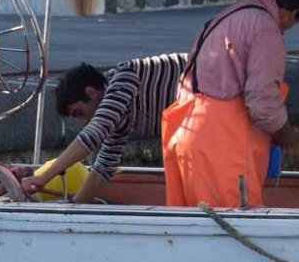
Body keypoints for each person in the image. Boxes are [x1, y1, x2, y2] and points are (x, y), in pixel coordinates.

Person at [162, 0, 299, 209]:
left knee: (194, 232)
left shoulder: (227, 16)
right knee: (232, 232)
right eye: (294, 21)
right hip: (222, 146)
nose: (286, 29)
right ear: (291, 11)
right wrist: (293, 140)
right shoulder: (265, 28)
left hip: (187, 135)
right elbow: (262, 104)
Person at [17, 53, 190, 204]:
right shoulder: (118, 114)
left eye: (80, 113)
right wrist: (74, 205)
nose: (84, 122)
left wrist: (42, 178)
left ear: (92, 93)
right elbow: (103, 168)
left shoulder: (125, 78)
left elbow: (94, 133)